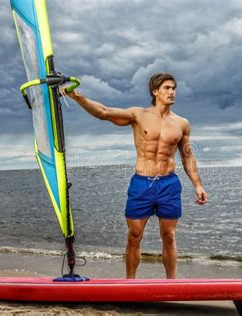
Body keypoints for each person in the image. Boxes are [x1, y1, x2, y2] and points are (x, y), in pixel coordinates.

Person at [62, 72, 208, 279]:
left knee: (169, 235)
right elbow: (103, 112)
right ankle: (130, 282)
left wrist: (198, 185)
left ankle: (171, 283)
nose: (172, 92)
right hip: (142, 183)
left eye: (174, 88)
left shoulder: (182, 123)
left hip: (169, 184)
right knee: (134, 235)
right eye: (167, 88)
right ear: (155, 91)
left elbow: (187, 156)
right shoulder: (138, 115)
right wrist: (77, 96)